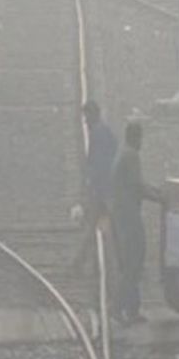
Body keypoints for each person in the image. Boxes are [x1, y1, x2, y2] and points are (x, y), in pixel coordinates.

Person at [110, 121, 164, 324]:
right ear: (137, 137)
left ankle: (133, 309)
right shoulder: (131, 155)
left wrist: (155, 190)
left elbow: (138, 184)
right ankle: (117, 308)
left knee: (131, 263)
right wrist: (159, 197)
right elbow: (137, 186)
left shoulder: (124, 153)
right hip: (128, 217)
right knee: (134, 262)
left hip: (123, 215)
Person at [71, 100, 118, 274]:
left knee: (100, 227)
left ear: (93, 115)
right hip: (106, 189)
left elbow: (101, 165)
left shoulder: (99, 134)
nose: (85, 121)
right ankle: (80, 264)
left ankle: (81, 264)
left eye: (86, 117)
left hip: (103, 190)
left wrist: (94, 188)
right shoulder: (103, 132)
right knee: (98, 227)